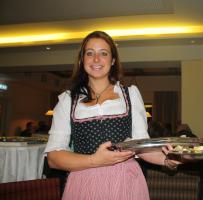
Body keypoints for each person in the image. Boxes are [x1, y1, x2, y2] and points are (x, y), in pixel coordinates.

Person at [45, 31, 180, 200]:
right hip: (84, 182)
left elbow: (140, 147)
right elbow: (54, 158)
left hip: (125, 181)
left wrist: (167, 160)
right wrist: (94, 160)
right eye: (89, 53)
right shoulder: (68, 99)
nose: (96, 59)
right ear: (81, 60)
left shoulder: (130, 95)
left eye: (103, 53)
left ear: (113, 60)